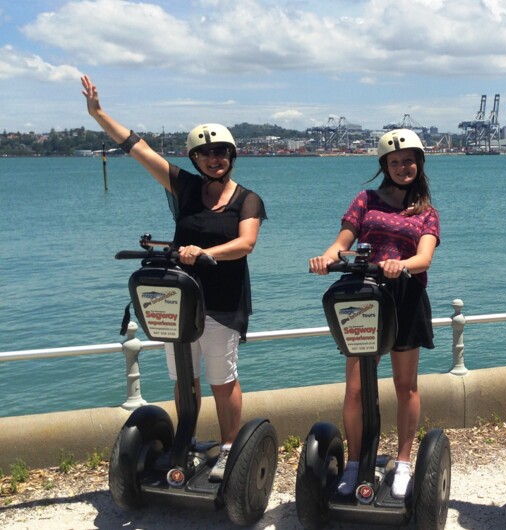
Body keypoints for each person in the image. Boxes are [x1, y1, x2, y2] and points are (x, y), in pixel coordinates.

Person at [81, 75, 266, 481]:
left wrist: (203, 252)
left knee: (222, 379)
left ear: (231, 156)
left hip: (222, 301)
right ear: (195, 159)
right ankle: (187, 440)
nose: (214, 159)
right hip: (181, 299)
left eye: (221, 152)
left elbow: (246, 243)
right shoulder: (185, 188)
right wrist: (98, 115)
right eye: (205, 154)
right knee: (184, 376)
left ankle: (230, 448)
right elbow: (140, 150)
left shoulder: (247, 199)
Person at [309, 129, 440, 500]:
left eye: (408, 161)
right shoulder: (366, 200)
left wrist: (400, 264)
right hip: (364, 296)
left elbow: (424, 258)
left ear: (419, 163)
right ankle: (354, 462)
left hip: (405, 296)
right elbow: (341, 244)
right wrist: (325, 259)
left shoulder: (427, 213)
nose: (402, 167)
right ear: (385, 166)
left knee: (405, 385)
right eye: (394, 162)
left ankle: (404, 462)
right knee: (355, 389)